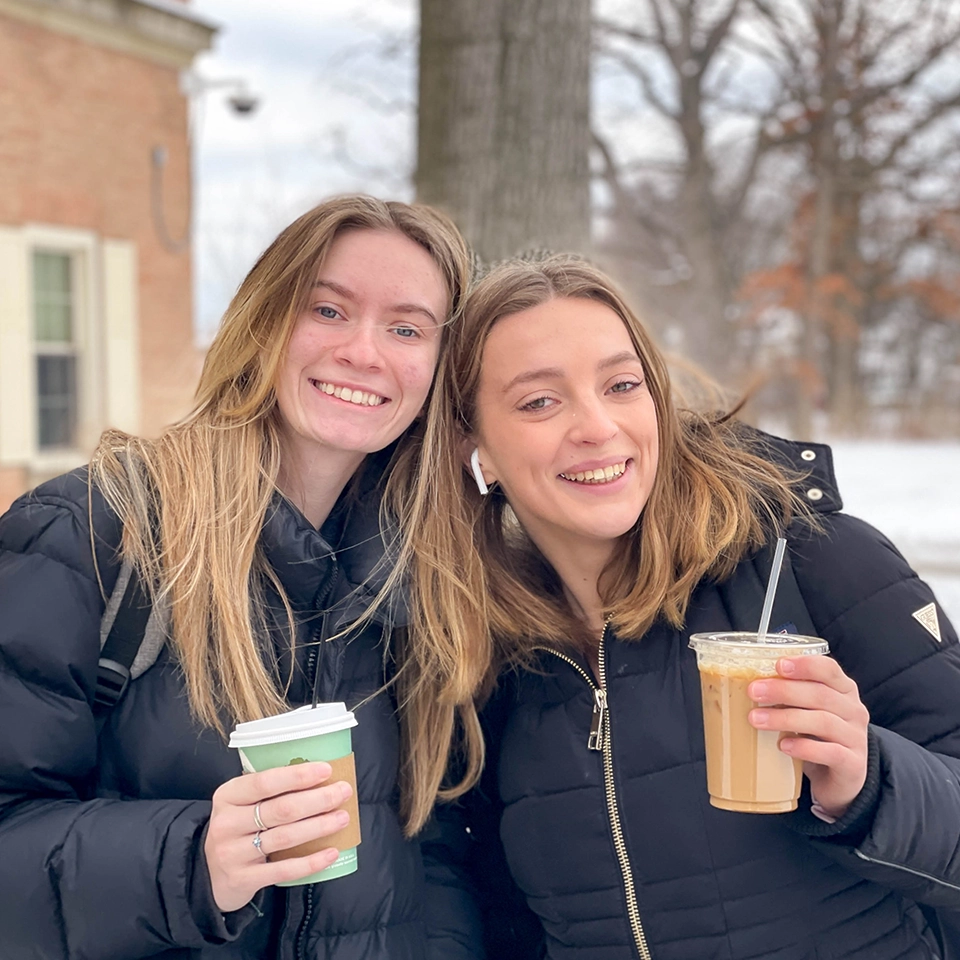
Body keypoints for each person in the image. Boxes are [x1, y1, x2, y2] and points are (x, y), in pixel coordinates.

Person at [396, 254, 960, 960]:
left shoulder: (809, 561)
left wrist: (868, 780)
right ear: (471, 444)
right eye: (540, 401)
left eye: (621, 384)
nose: (597, 426)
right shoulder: (480, 656)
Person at [0, 194, 471, 960]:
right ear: (263, 323)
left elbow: (438, 862)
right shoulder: (93, 533)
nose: (364, 351)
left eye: (407, 328)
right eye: (328, 310)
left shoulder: (427, 579)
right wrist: (192, 861)